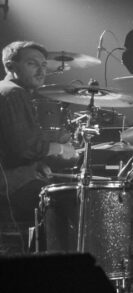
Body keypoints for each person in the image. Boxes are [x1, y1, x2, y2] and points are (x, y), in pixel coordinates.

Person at [0, 41, 76, 252]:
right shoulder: (12, 93)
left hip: (12, 179)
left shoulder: (9, 91)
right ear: (10, 66)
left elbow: (13, 149)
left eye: (44, 65)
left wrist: (37, 165)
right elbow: (26, 148)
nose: (42, 70)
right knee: (74, 199)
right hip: (9, 187)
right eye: (32, 64)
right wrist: (60, 149)